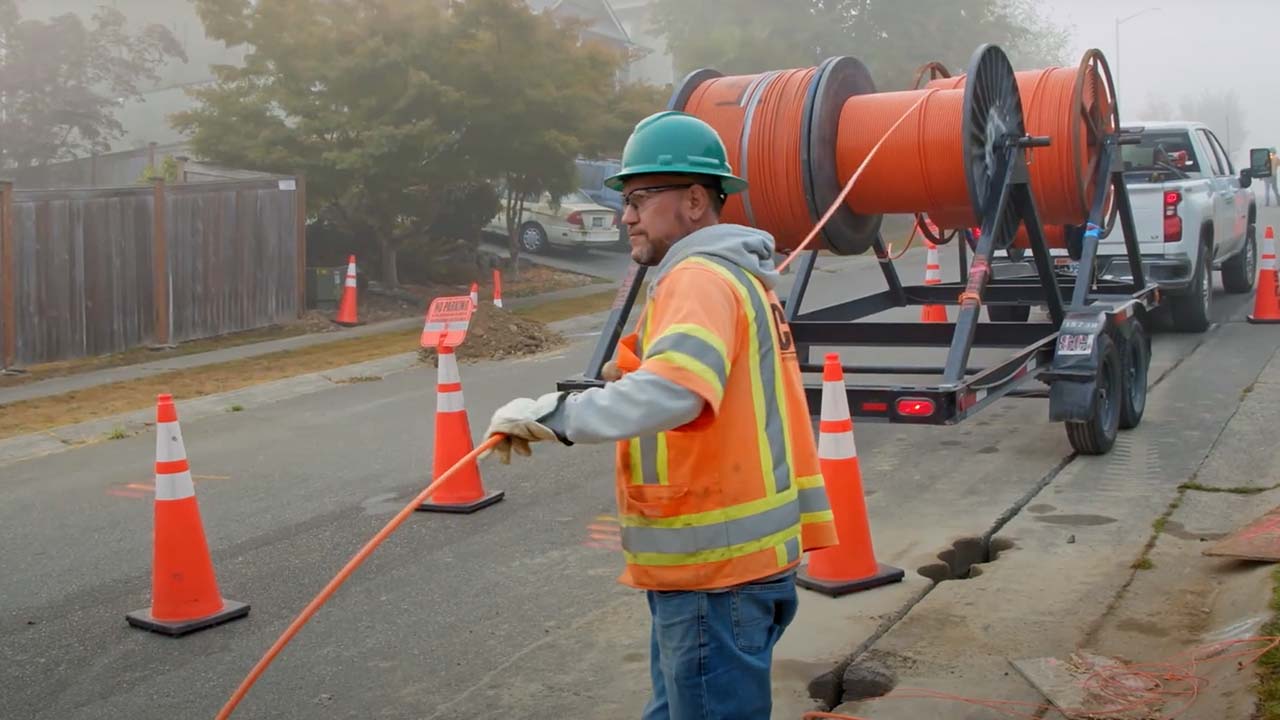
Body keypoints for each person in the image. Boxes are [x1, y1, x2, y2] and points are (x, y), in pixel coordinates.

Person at [483, 110, 839, 720]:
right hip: (735, 567)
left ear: (696, 200)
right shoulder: (740, 280)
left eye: (640, 197)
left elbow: (674, 390)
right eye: (626, 199)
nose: (626, 215)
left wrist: (559, 415)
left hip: (715, 574)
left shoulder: (697, 277)